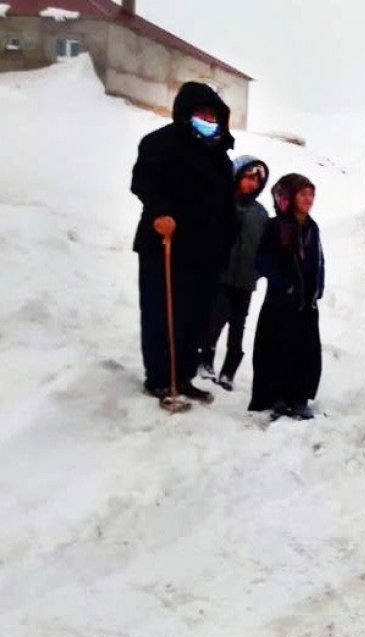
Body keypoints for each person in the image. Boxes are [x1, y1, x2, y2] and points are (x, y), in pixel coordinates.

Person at [130, 82, 236, 406]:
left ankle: (184, 376)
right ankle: (161, 379)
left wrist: (227, 239)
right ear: (186, 112)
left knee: (196, 318)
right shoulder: (161, 143)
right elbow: (144, 181)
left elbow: (225, 203)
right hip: (167, 244)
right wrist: (160, 211)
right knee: (163, 314)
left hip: (205, 254)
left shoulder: (219, 156)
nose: (208, 118)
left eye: (213, 114)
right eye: (202, 112)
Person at [249, 174, 325, 420]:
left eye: (311, 194)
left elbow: (317, 261)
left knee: (305, 352)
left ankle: (299, 398)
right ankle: (277, 398)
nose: (308, 199)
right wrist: (284, 284)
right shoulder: (275, 227)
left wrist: (317, 288)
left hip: (305, 304)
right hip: (280, 304)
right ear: (289, 197)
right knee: (277, 350)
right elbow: (262, 261)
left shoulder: (312, 228)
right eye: (303, 194)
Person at [198, 156, 271, 390]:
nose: (252, 184)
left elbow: (264, 247)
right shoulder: (221, 203)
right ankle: (205, 359)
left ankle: (229, 371)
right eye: (248, 178)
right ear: (237, 176)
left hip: (246, 280)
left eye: (257, 181)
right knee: (215, 319)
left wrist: (258, 270)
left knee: (238, 326)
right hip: (220, 275)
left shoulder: (260, 214)